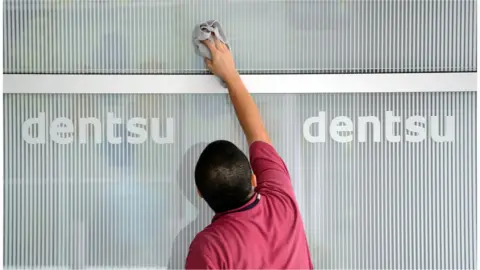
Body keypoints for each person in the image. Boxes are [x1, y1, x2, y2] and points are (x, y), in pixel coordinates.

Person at [185, 35, 313, 269]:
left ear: (200, 193)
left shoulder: (209, 248)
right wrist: (231, 75)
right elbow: (258, 135)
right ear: (254, 178)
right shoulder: (281, 203)